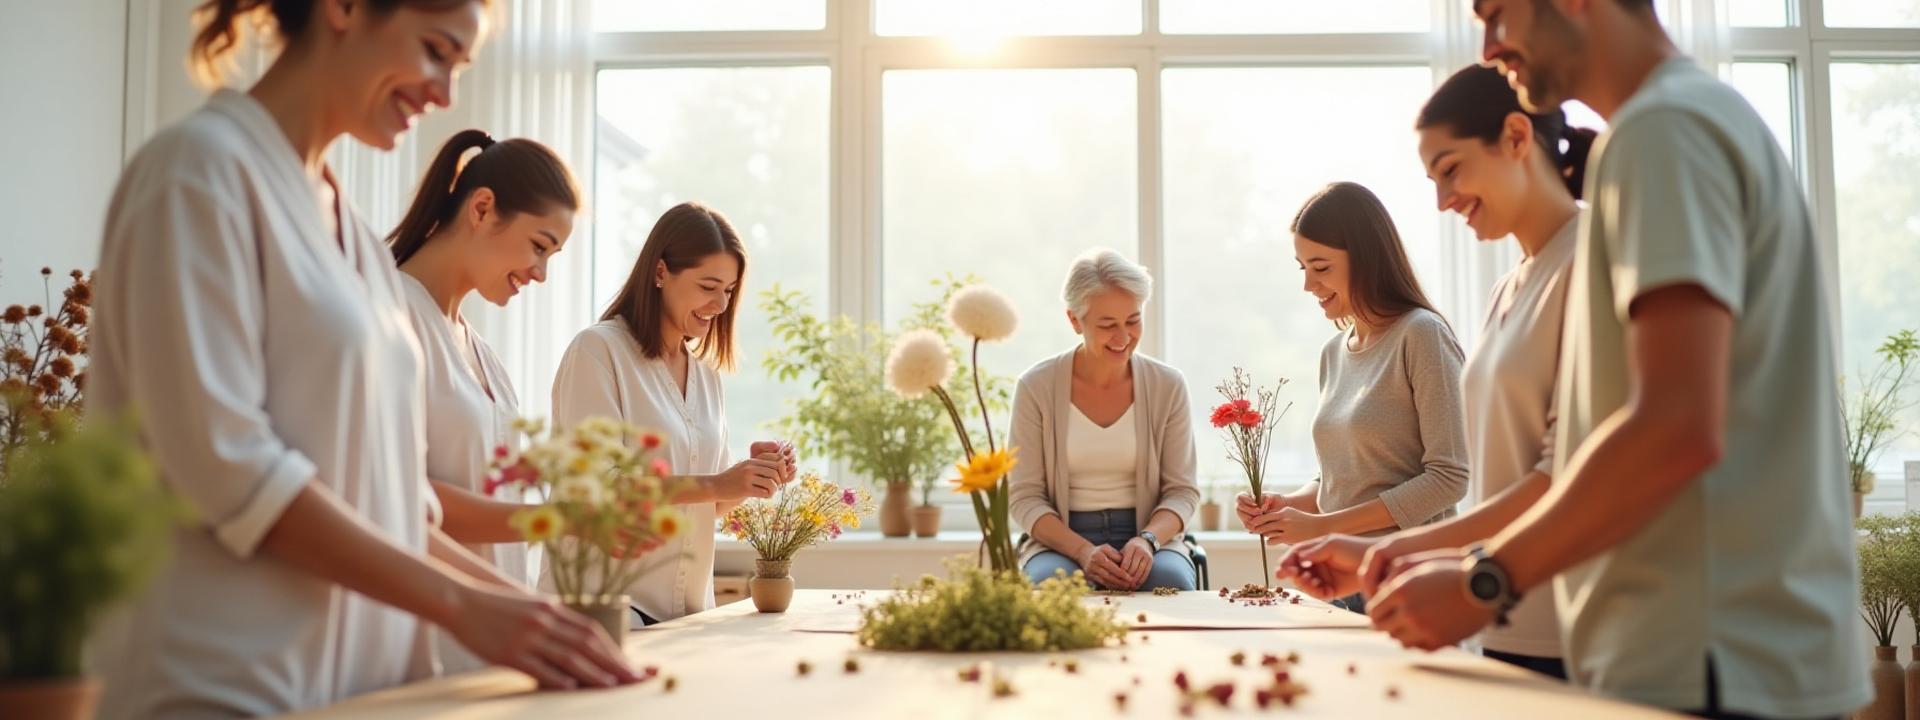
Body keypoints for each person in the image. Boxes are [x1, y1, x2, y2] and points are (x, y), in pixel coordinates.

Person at [87, 1, 634, 716]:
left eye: (458, 66)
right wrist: (467, 605)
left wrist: (534, 614)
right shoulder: (197, 174)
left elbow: (400, 506)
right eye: (436, 49)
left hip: (361, 692)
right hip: (225, 689)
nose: (444, 93)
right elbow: (230, 469)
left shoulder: (355, 244)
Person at [1364, 2, 1869, 718]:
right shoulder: (1697, 118)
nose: (1488, 46)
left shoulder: (1661, 131)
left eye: (1498, 13)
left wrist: (1485, 580)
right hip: (1730, 653)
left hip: (1709, 659)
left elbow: (1675, 425)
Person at [1274, 64, 1591, 679]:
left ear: (1518, 139)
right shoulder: (1505, 291)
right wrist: (1365, 549)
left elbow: (1501, 476)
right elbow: (1522, 476)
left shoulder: (1586, 267)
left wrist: (1380, 549)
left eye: (1450, 170)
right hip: (1495, 607)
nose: (1442, 202)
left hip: (1552, 614)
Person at [388, 129, 593, 672]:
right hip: (425, 653)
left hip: (491, 655)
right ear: (482, 208)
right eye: (539, 246)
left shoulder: (483, 355)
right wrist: (556, 520)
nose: (541, 273)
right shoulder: (390, 316)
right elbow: (395, 497)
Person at [550, 201, 795, 626]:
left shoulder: (705, 374)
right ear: (660, 272)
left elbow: (710, 505)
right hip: (606, 610)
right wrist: (719, 481)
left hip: (687, 614)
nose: (721, 304)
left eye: (730, 290)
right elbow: (598, 490)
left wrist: (752, 477)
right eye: (708, 286)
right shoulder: (598, 352)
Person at [1237, 181, 1471, 612]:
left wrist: (1322, 526)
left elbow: (1449, 478)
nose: (1308, 284)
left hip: (1405, 575)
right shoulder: (1334, 352)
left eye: (1321, 267)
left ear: (1366, 260)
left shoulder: (1422, 335)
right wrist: (1289, 505)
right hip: (1338, 576)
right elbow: (1344, 476)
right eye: (1302, 267)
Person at [1007, 248, 1202, 591]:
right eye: (1108, 325)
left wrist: (1147, 541)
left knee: (1168, 580)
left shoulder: (1168, 385)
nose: (1124, 338)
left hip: (1148, 534)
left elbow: (1182, 492)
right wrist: (1082, 550)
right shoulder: (1035, 387)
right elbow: (1024, 497)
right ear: (1074, 320)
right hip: (1061, 538)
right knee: (1051, 587)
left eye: (1133, 320)